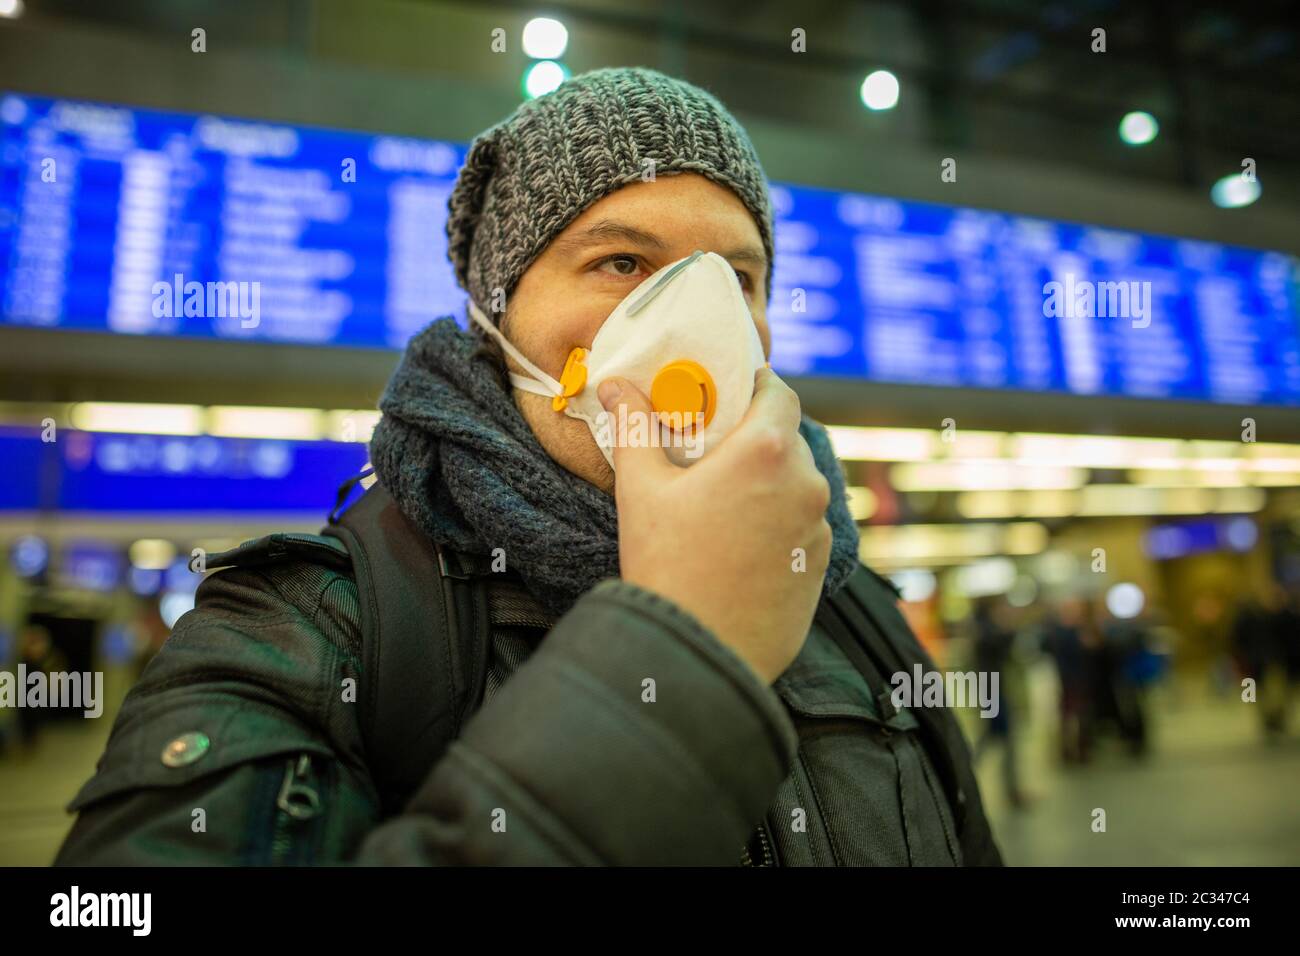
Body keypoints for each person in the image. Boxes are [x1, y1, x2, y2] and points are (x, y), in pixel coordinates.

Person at [55, 67, 1000, 866]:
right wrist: (683, 668)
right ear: (497, 319)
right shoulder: (318, 631)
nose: (703, 319)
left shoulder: (847, 605)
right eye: (624, 262)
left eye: (739, 279)